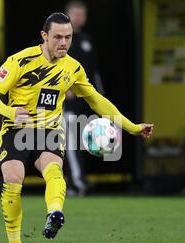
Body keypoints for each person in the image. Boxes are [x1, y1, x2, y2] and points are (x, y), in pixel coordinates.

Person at [0, 12, 154, 243]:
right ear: (44, 36)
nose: (64, 43)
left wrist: (132, 127)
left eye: (68, 37)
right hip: (16, 130)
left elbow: (97, 101)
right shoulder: (20, 60)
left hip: (49, 130)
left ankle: (54, 214)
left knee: (54, 170)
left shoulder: (73, 68)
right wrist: (10, 111)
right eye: (58, 37)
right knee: (13, 178)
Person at [64, 1, 104, 196]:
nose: (79, 18)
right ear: (67, 15)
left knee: (83, 143)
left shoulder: (86, 40)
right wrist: (64, 90)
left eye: (82, 15)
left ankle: (73, 183)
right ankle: (78, 182)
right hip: (66, 103)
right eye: (75, 14)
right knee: (69, 143)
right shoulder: (61, 40)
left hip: (86, 101)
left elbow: (94, 72)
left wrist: (100, 98)